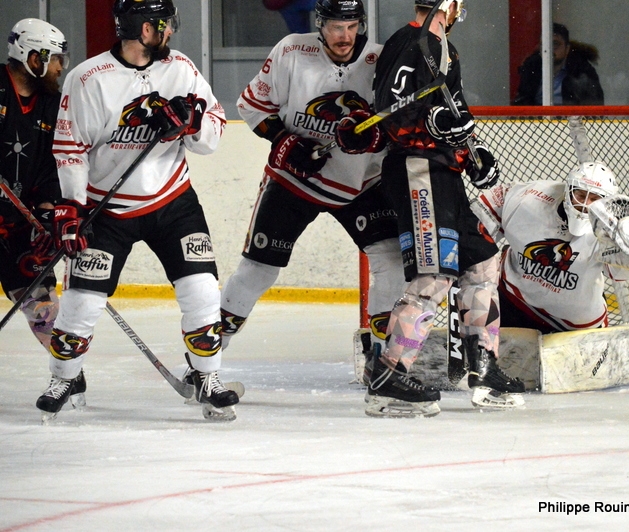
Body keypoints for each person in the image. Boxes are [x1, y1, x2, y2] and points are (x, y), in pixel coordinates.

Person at [38, 0, 237, 422]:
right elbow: (70, 149)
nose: (171, 34)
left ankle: (207, 376)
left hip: (173, 201)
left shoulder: (181, 68)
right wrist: (71, 208)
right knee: (82, 304)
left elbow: (212, 134)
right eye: (164, 26)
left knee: (201, 290)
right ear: (146, 30)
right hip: (105, 208)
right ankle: (66, 377)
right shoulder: (88, 79)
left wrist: (191, 123)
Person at [357, 0, 525, 418]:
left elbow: (451, 117)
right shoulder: (410, 42)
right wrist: (432, 126)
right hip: (417, 170)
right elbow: (389, 114)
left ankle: (483, 368)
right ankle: (389, 374)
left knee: (483, 260)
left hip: (442, 171)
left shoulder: (444, 47)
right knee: (434, 275)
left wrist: (472, 156)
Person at [219, 0, 405, 370]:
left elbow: (398, 125)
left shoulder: (381, 61)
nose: (345, 36)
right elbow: (252, 105)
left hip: (361, 184)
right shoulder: (291, 50)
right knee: (258, 271)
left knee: (391, 261)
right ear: (320, 25)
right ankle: (207, 352)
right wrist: (285, 142)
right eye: (337, 27)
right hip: (294, 180)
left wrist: (376, 140)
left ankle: (380, 362)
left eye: (352, 27)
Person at [471, 161, 629, 334]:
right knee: (492, 365)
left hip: (576, 325)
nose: (585, 204)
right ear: (568, 190)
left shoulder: (614, 231)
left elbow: (624, 271)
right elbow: (476, 221)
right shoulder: (527, 199)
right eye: (581, 195)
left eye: (594, 198)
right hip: (514, 300)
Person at [0, 19, 68, 363]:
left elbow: (55, 164)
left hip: (18, 223)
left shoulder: (51, 105)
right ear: (33, 57)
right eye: (55, 58)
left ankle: (68, 373)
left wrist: (46, 206)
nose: (60, 67)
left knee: (42, 303)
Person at [513, 23, 604, 106]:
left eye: (555, 44)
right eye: (544, 44)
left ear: (567, 48)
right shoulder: (532, 69)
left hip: (571, 121)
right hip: (537, 121)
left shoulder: (581, 70)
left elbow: (594, 107)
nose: (549, 49)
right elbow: (521, 103)